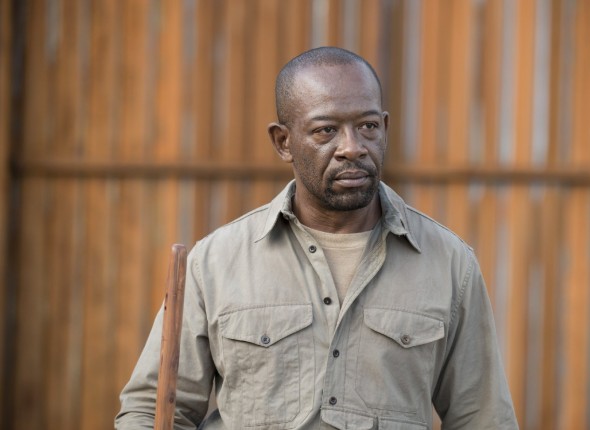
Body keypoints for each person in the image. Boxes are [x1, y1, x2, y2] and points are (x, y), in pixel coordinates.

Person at [115, 46, 518, 430]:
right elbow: (153, 410)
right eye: (326, 130)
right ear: (283, 142)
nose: (352, 148)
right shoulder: (215, 262)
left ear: (385, 127)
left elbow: (482, 419)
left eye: (367, 126)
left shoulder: (449, 263)